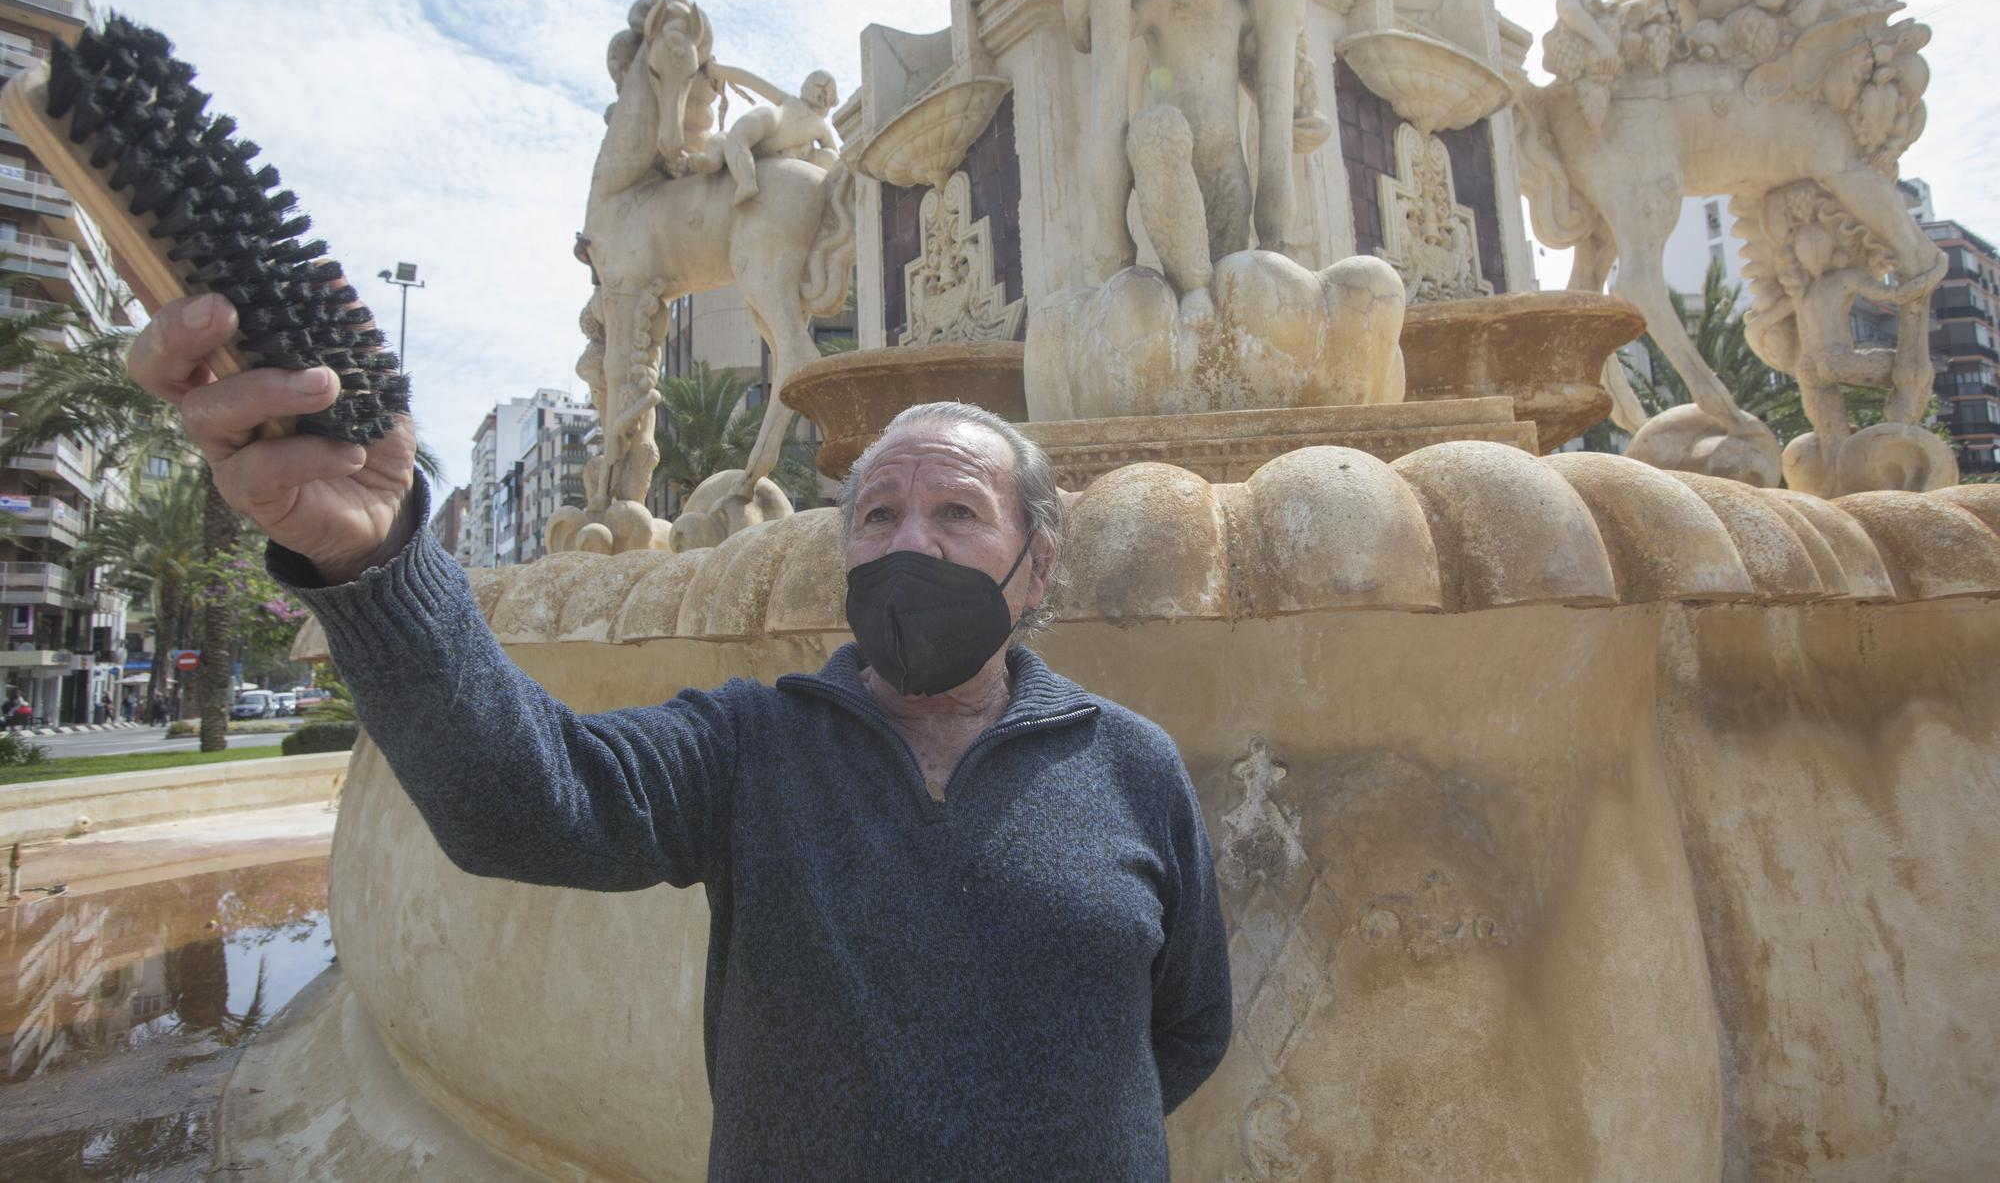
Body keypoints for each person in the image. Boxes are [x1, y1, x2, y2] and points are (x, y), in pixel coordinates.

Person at [128, 291, 1232, 1180]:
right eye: (876, 513)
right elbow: (521, 800)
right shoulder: (750, 744)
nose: (908, 542)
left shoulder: (1130, 764)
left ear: (1033, 565)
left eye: (955, 513)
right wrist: (376, 560)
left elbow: (1185, 1029)